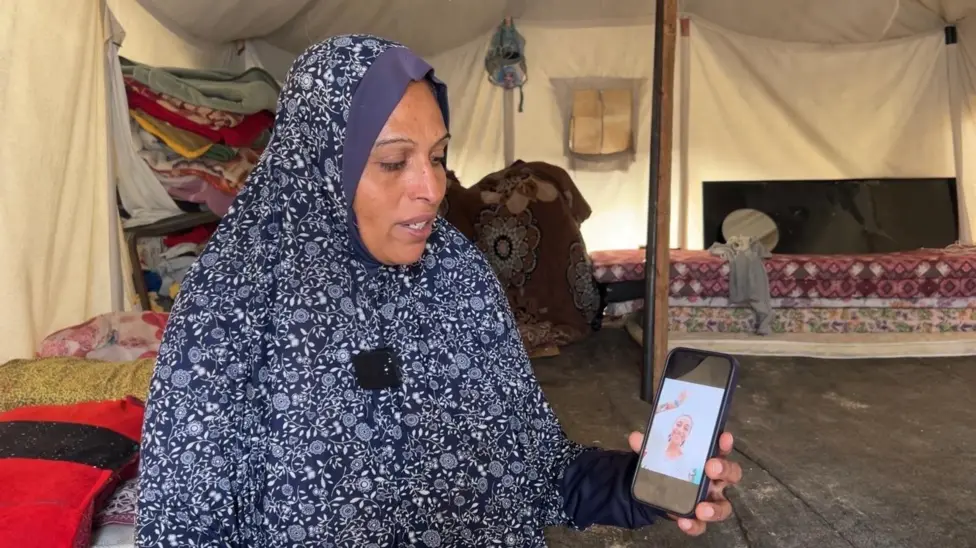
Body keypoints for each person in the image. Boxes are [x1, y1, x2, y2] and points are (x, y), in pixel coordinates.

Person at [135, 35, 743, 547]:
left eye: (439, 155)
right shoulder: (235, 305)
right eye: (394, 163)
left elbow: (534, 472)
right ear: (319, 164)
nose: (431, 188)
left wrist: (638, 486)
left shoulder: (454, 272)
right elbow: (186, 528)